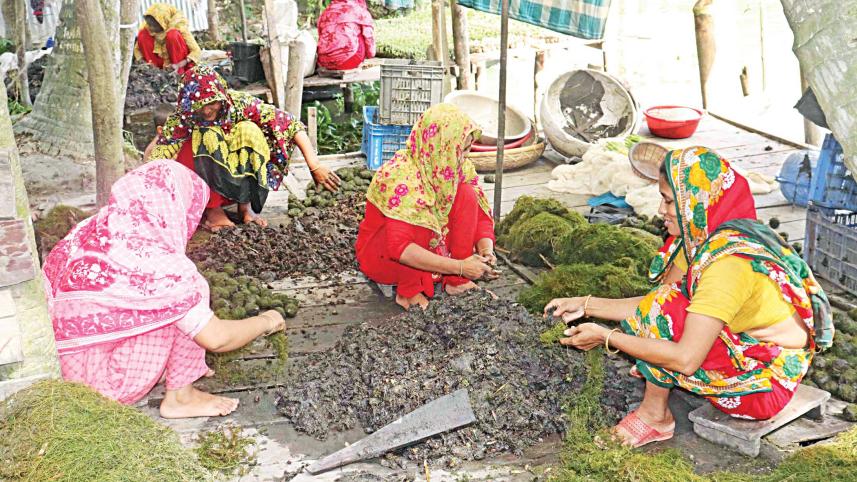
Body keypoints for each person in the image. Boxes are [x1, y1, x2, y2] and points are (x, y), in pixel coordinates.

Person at [546, 146, 833, 447]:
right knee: (664, 308)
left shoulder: (727, 266)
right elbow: (654, 303)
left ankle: (654, 417)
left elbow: (684, 358)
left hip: (764, 384)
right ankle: (657, 378)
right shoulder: (701, 239)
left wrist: (607, 337)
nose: (660, 210)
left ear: (696, 201)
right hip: (741, 345)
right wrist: (587, 304)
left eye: (669, 201)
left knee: (665, 322)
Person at [43, 161, 287, 418]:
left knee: (170, 304)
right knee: (187, 298)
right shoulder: (162, 268)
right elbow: (217, 338)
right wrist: (266, 320)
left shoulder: (90, 231)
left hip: (60, 368)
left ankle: (181, 371)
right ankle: (181, 398)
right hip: (102, 387)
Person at [150, 65, 341, 231]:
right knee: (204, 134)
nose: (207, 110)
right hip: (203, 184)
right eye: (200, 106)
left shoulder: (239, 104)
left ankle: (246, 206)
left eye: (212, 103)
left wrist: (315, 166)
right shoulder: (184, 117)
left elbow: (289, 123)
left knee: (250, 129)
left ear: (221, 95)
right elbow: (157, 157)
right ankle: (212, 210)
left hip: (231, 174)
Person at [355, 104, 499, 310]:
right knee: (422, 217)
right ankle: (409, 293)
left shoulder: (457, 168)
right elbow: (400, 249)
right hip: (385, 259)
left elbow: (482, 217)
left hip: (433, 250)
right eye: (462, 150)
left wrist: (486, 251)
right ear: (443, 147)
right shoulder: (401, 176)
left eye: (467, 149)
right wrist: (460, 267)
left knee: (467, 193)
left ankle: (456, 282)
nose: (466, 156)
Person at [134, 3, 201, 74]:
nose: (151, 28)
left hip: (180, 64)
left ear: (164, 22)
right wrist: (143, 63)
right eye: (149, 24)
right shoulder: (147, 28)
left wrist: (178, 65)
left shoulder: (178, 26)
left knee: (172, 35)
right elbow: (137, 49)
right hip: (159, 65)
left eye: (154, 26)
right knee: (143, 34)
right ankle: (154, 71)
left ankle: (179, 73)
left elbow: (196, 51)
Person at [316, 0, 376, 71]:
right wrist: (370, 55)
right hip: (349, 60)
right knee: (362, 32)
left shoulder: (326, 11)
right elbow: (369, 38)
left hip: (325, 61)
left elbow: (320, 35)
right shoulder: (359, 10)